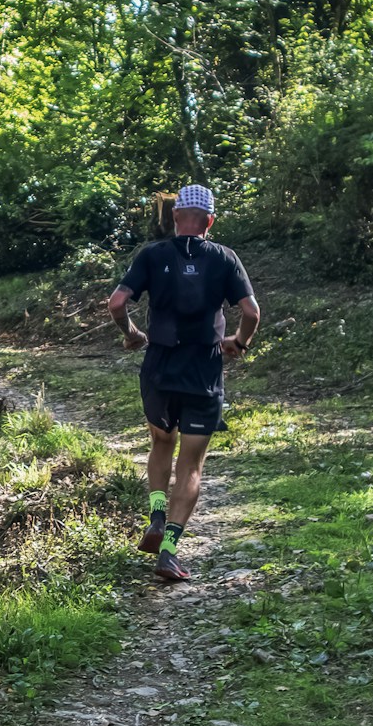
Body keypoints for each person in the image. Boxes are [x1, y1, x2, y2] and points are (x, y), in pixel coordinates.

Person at [105, 184, 260, 583]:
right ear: (210, 220)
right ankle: (169, 551)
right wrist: (238, 343)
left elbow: (117, 303)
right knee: (191, 463)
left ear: (174, 217)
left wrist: (132, 333)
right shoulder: (225, 258)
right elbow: (251, 312)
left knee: (161, 442)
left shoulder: (153, 256)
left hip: (159, 366)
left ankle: (156, 516)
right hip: (203, 370)